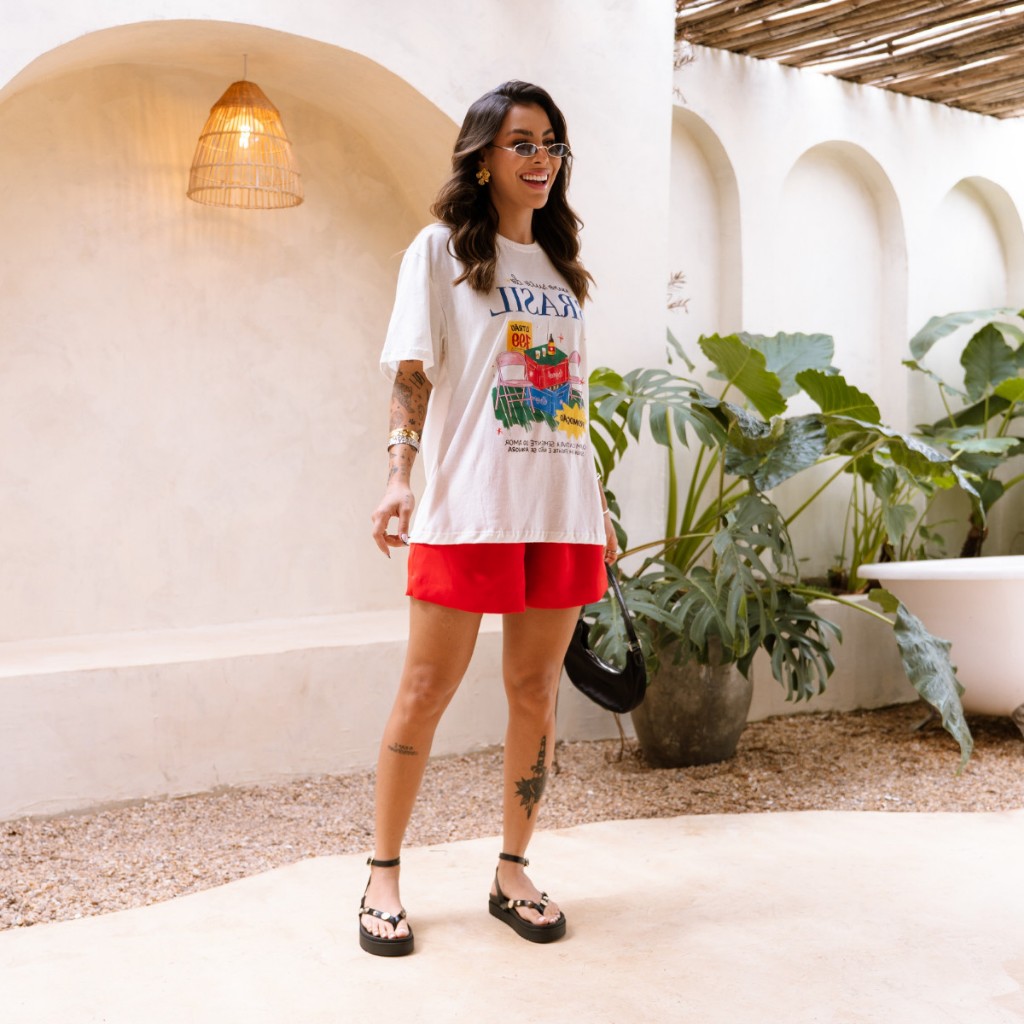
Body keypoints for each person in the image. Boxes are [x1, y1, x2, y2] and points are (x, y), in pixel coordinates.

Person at [361, 80, 617, 957]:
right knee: (425, 690)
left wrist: (596, 507)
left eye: (552, 144)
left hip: (561, 510)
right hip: (469, 508)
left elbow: (569, 399)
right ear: (483, 157)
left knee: (535, 693)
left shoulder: (563, 269)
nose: (542, 159)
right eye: (522, 143)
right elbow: (412, 375)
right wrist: (399, 477)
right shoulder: (439, 251)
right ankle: (382, 874)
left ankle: (513, 870)